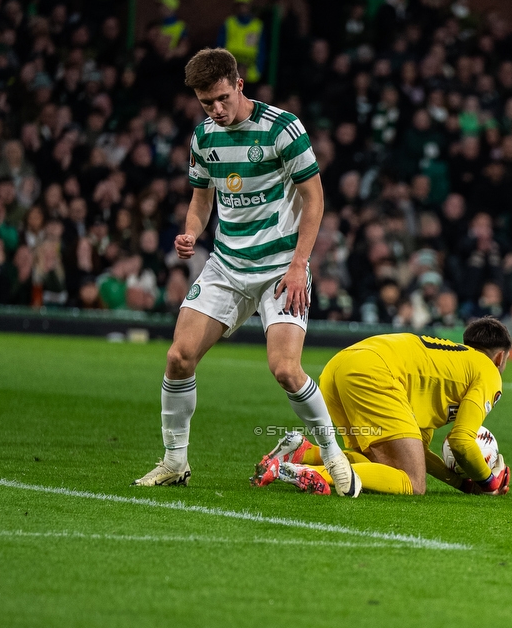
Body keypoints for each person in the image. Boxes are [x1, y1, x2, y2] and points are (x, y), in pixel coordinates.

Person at [133, 47, 361, 498]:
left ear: (239, 85)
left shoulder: (283, 128)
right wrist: (190, 232)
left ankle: (334, 456)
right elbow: (201, 199)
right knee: (179, 358)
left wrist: (300, 266)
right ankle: (175, 462)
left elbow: (314, 200)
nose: (216, 110)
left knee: (285, 369)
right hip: (227, 266)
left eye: (221, 98)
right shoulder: (203, 138)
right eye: (205, 103)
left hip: (281, 268)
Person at [252, 317, 511, 497]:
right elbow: (462, 442)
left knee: (375, 460)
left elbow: (418, 454)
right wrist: (489, 481)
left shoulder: (447, 368)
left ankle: (302, 453)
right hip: (374, 371)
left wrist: (461, 483)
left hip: (340, 366)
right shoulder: (488, 370)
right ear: (500, 358)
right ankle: (311, 473)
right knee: (412, 483)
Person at [217, 0, 265, 86]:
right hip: (230, 74)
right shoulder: (229, 23)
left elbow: (262, 50)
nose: (242, 8)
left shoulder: (257, 26)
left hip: (251, 74)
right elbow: (219, 47)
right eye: (239, 5)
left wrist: (259, 70)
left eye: (245, 5)